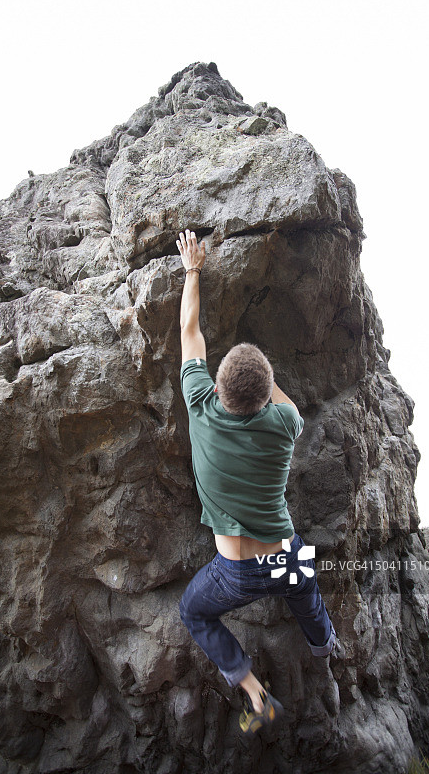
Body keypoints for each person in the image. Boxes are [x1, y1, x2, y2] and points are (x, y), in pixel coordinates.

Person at [176, 228, 337, 737]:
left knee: (193, 612)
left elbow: (190, 335)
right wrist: (265, 382)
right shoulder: (284, 423)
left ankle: (252, 690)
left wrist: (193, 269)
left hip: (236, 572)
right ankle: (323, 646)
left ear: (217, 386)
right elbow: (285, 405)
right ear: (266, 397)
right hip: (283, 554)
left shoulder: (201, 407)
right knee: (304, 588)